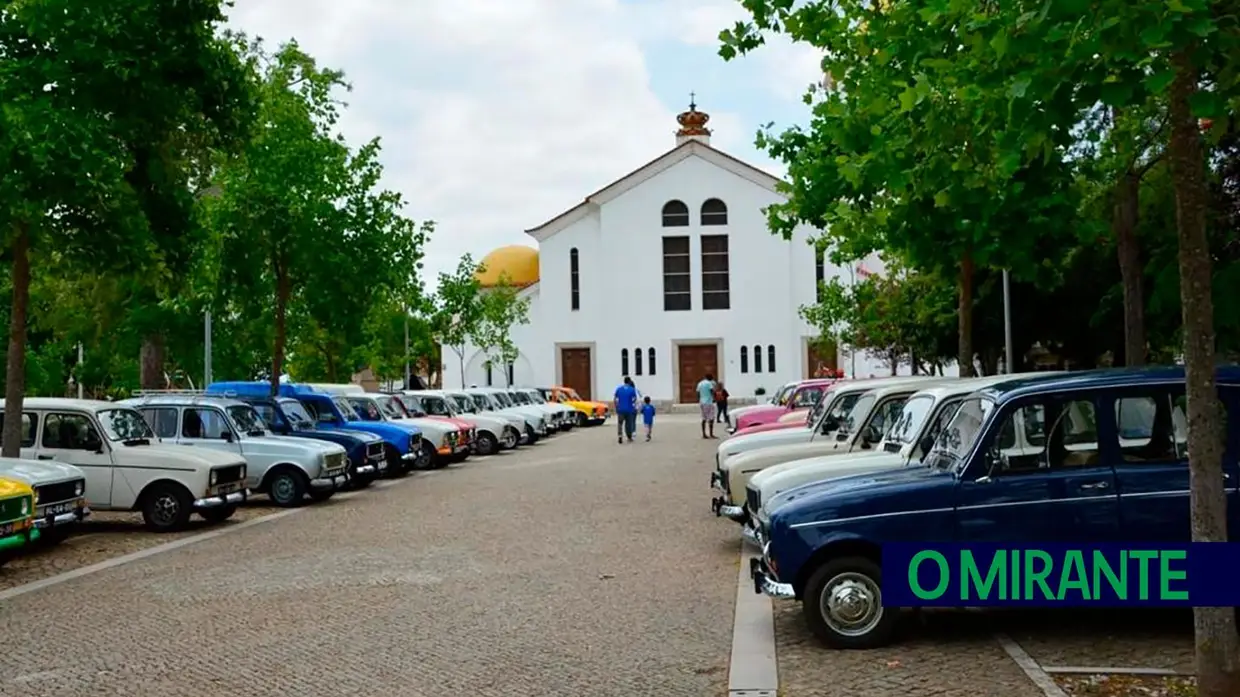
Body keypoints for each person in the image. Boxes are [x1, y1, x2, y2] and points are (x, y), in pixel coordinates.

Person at [613, 376, 639, 444]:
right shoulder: (632, 389)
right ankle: (629, 437)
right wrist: (634, 407)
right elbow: (634, 400)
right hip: (629, 409)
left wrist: (616, 407)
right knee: (628, 424)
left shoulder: (619, 389)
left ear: (624, 381)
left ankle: (620, 435)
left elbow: (615, 399)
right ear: (629, 381)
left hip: (620, 409)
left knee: (620, 423)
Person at [696, 373, 718, 439]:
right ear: (710, 378)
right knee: (711, 418)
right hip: (709, 402)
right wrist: (714, 398)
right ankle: (711, 434)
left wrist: (699, 400)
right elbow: (712, 391)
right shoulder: (709, 383)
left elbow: (697, 392)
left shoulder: (700, 383)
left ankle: (704, 434)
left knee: (704, 418)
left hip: (702, 402)